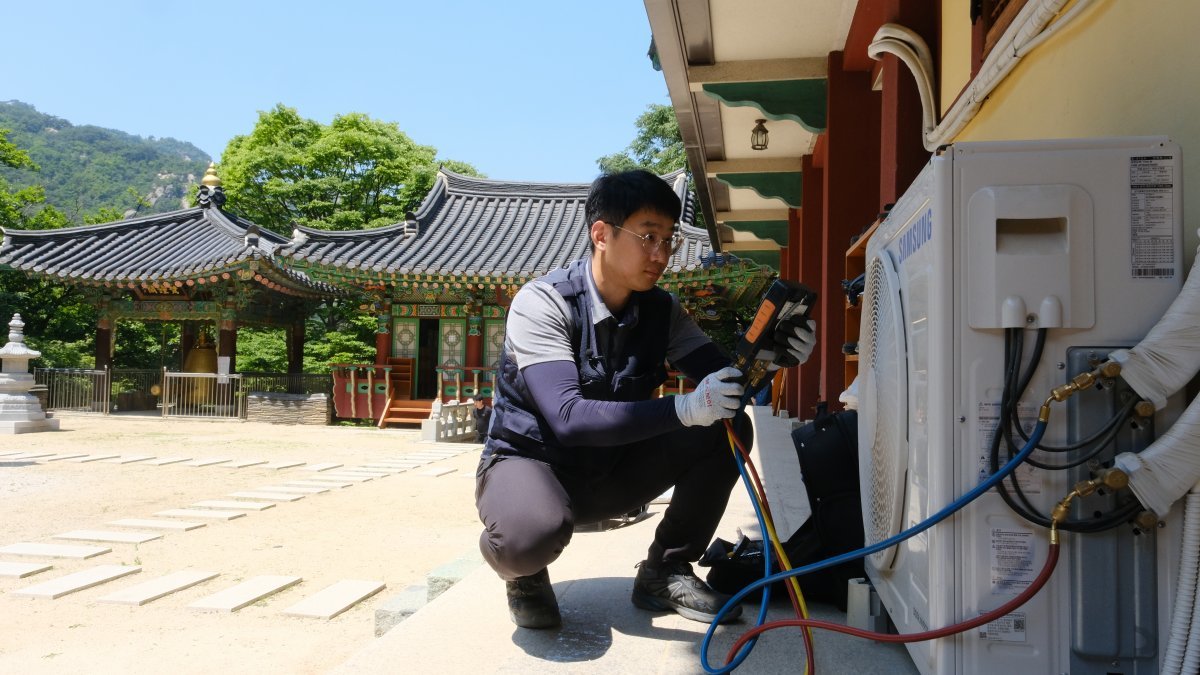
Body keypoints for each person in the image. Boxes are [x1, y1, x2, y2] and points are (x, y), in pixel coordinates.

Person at [474, 170, 816, 630]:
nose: (662, 255)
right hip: (532, 463)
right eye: (648, 237)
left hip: (613, 472)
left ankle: (666, 569)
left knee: (724, 429)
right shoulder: (545, 302)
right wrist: (686, 408)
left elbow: (727, 385)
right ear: (601, 234)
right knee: (528, 536)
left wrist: (774, 357)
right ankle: (524, 571)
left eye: (669, 239)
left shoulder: (662, 310)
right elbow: (569, 418)